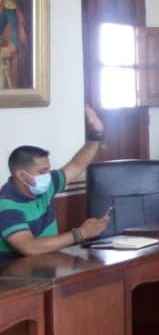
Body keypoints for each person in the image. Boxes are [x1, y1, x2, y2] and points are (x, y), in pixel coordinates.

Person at [0, 106, 111, 255]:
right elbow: (29, 247)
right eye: (42, 172)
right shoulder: (5, 205)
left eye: (48, 169)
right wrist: (81, 233)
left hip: (48, 262)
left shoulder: (46, 185)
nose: (48, 176)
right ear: (21, 175)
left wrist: (96, 135)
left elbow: (77, 165)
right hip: (17, 269)